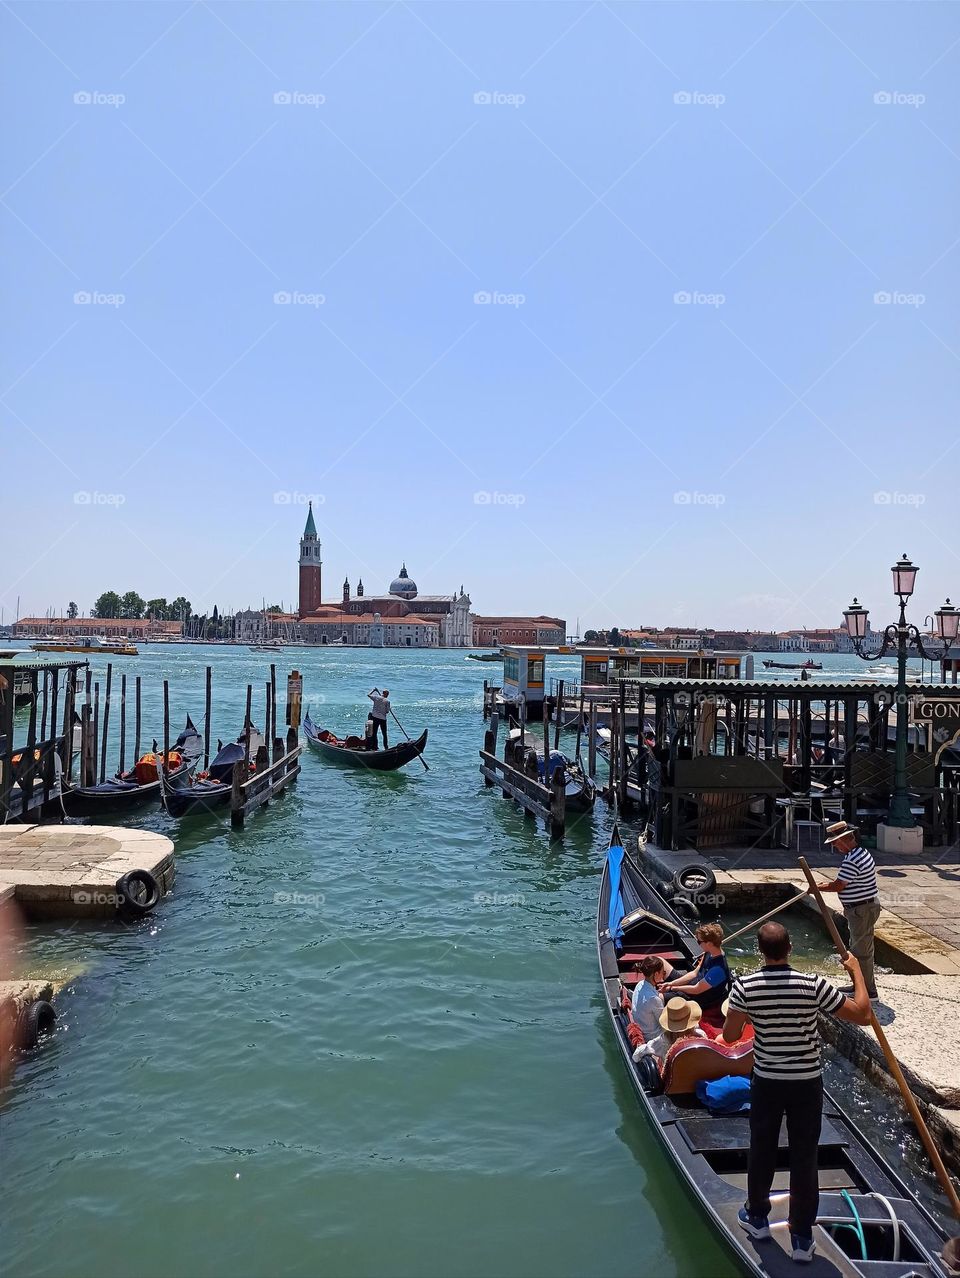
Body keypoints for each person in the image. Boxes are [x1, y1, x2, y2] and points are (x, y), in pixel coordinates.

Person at [722, 921, 870, 1264]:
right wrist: (857, 973)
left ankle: (757, 1217)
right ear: (789, 949)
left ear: (761, 952)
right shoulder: (813, 985)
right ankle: (802, 1237)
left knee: (762, 1148)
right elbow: (862, 1013)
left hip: (768, 1081)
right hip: (806, 1083)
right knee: (805, 1157)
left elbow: (730, 1037)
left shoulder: (745, 986)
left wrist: (750, 1017)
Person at [817, 820, 881, 1001]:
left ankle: (868, 992)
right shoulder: (860, 853)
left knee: (861, 952)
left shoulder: (853, 859)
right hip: (863, 908)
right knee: (860, 949)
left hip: (861, 910)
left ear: (845, 839)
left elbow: (838, 885)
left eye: (836, 842)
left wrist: (817, 887)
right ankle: (859, 986)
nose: (835, 846)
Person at [661, 922, 731, 1014]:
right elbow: (694, 973)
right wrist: (671, 983)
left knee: (659, 998)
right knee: (660, 962)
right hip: (692, 984)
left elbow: (696, 990)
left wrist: (673, 988)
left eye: (699, 941)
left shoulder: (717, 970)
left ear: (709, 943)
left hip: (697, 996)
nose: (698, 943)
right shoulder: (708, 952)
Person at [629, 956, 673, 1062]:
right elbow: (664, 1023)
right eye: (663, 972)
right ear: (656, 974)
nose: (664, 974)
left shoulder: (640, 985)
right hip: (653, 1036)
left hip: (643, 1027)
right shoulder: (653, 999)